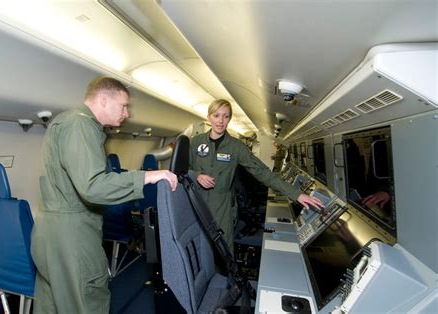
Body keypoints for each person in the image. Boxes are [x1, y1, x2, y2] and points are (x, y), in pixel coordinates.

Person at [30, 76, 178, 314]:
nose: (127, 113)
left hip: (50, 234)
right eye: (123, 105)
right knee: (87, 301)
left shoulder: (64, 120)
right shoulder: (81, 126)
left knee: (51, 305)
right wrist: (146, 176)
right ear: (103, 100)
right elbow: (93, 186)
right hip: (72, 238)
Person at [189, 99, 323, 252]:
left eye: (226, 116)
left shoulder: (236, 146)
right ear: (209, 117)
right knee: (197, 251)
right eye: (216, 115)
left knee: (223, 252)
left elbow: (263, 173)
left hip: (222, 207)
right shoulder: (195, 142)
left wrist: (297, 194)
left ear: (230, 119)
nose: (220, 121)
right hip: (196, 203)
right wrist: (197, 175)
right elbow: (182, 170)